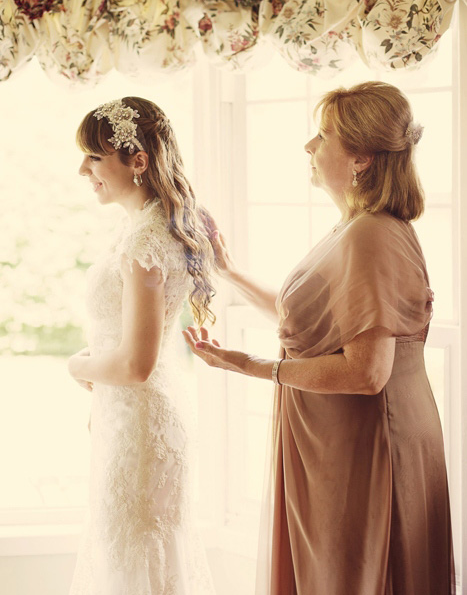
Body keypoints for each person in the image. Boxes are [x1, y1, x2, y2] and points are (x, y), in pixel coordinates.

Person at [183, 81, 455, 595]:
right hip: (335, 442)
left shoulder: (371, 234)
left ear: (360, 158)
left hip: (364, 447)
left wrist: (250, 365)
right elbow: (307, 323)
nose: (310, 147)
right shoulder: (354, 226)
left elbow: (366, 372)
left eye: (323, 136)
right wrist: (230, 271)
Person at [68, 97, 216, 595]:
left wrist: (78, 366)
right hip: (130, 420)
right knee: (130, 552)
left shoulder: (145, 242)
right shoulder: (143, 229)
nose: (83, 169)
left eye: (94, 156)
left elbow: (136, 364)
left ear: (138, 160)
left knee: (134, 555)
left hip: (142, 424)